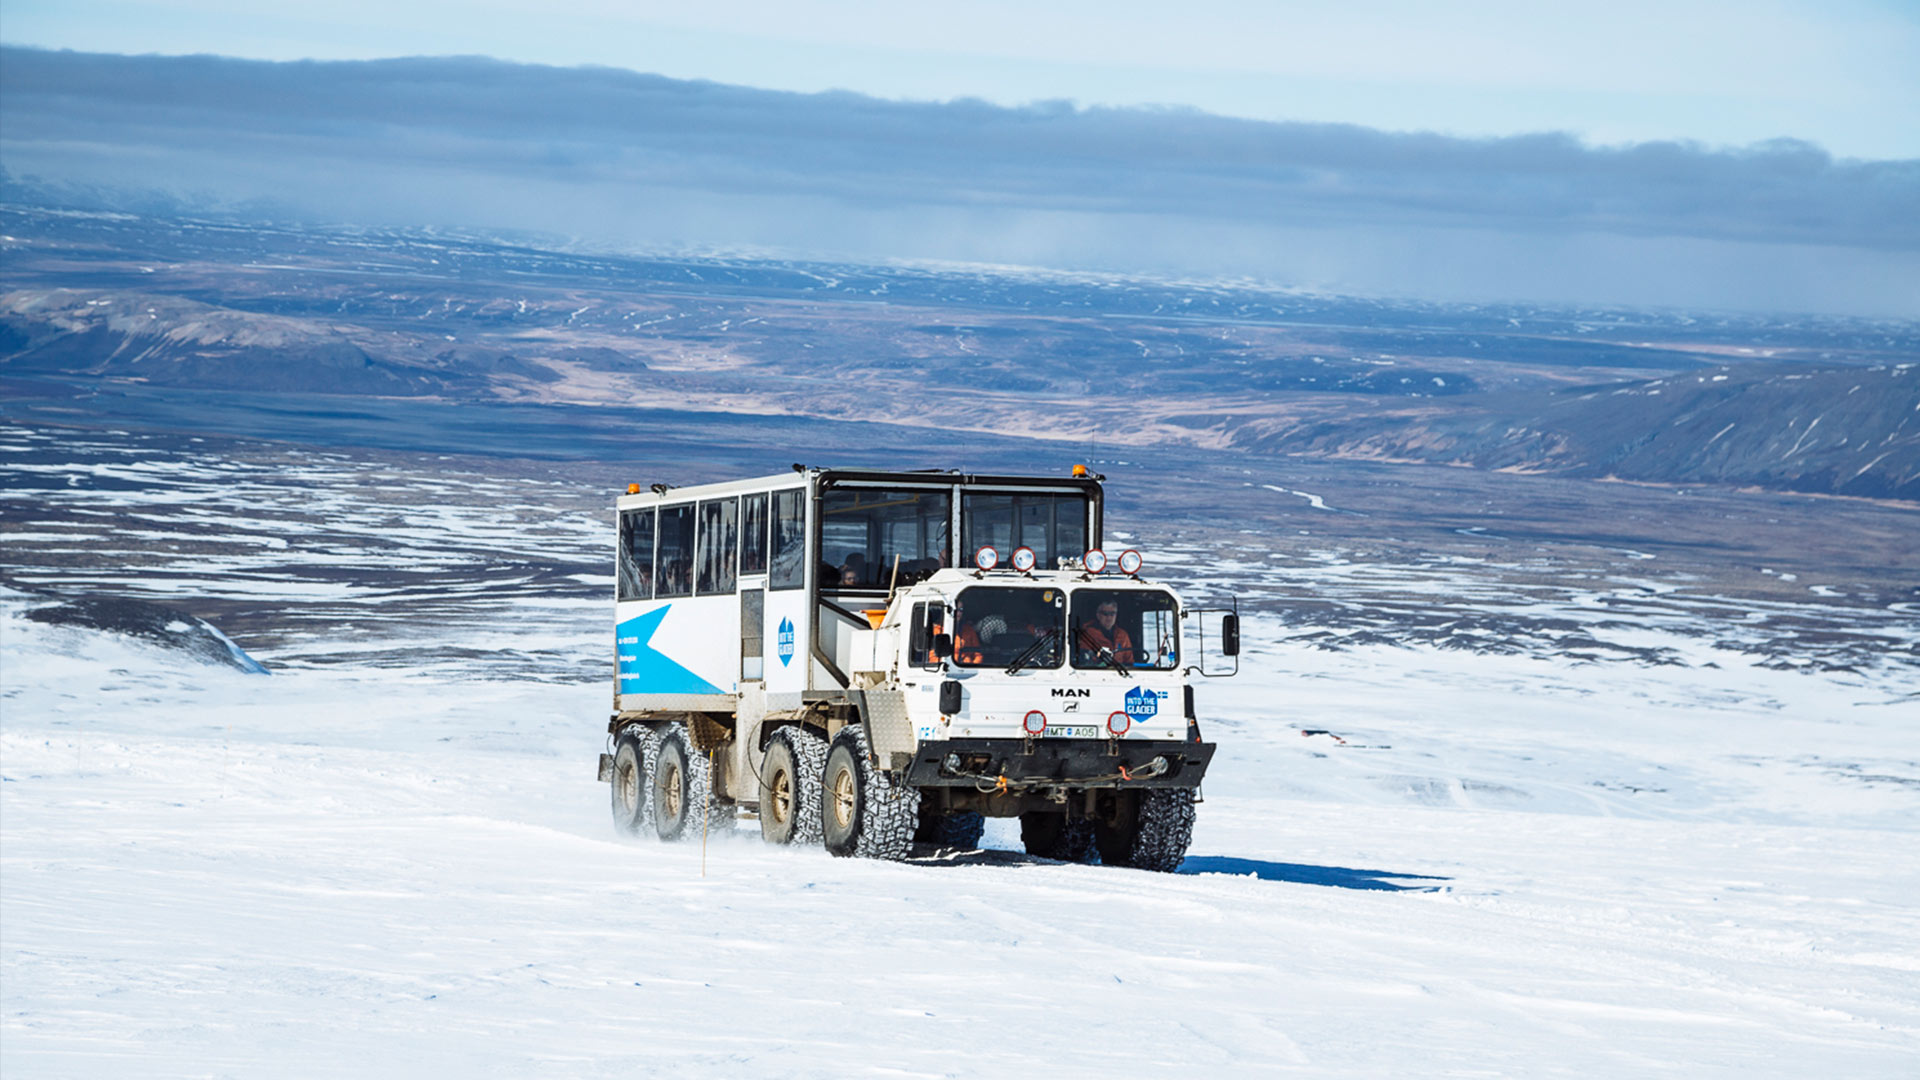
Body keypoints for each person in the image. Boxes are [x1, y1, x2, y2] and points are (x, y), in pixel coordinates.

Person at [1077, 600, 1134, 667]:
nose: (1109, 617)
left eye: (1112, 614)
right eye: (1105, 613)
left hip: (1120, 673)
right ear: (1098, 615)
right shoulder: (1087, 634)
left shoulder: (1123, 635)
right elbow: (1084, 657)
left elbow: (1129, 662)